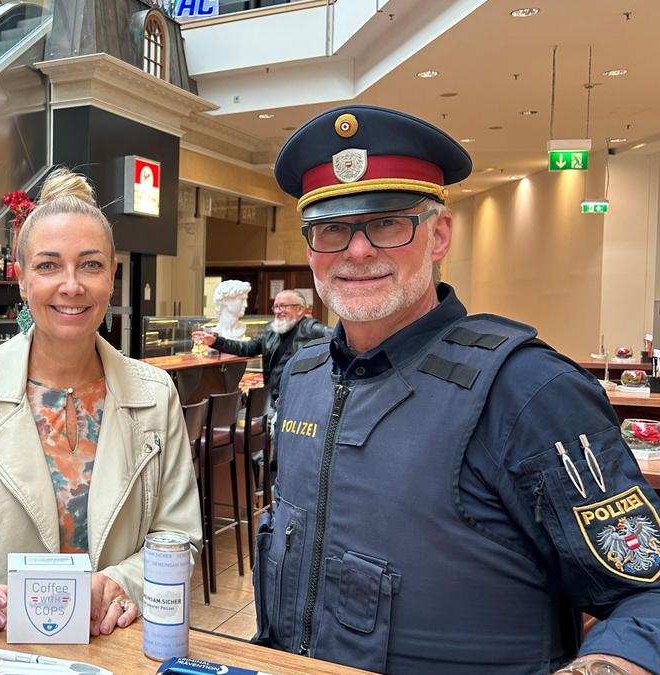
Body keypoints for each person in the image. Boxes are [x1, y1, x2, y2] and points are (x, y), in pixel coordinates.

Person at [249, 104, 660, 675]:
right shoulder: (302, 376)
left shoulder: (529, 390)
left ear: (438, 234)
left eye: (388, 222)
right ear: (310, 247)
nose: (358, 251)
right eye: (333, 229)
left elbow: (646, 592)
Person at [0, 168, 202, 636]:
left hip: (113, 645)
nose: (71, 285)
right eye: (48, 265)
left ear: (112, 276)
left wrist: (123, 583)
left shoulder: (155, 394)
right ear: (21, 280)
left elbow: (179, 538)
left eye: (91, 265)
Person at [195, 288, 330, 407]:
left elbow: (340, 340)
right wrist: (215, 341)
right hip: (273, 398)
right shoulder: (271, 331)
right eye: (275, 307)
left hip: (300, 400)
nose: (278, 311)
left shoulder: (312, 330)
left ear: (300, 309)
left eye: (283, 306)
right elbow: (247, 348)